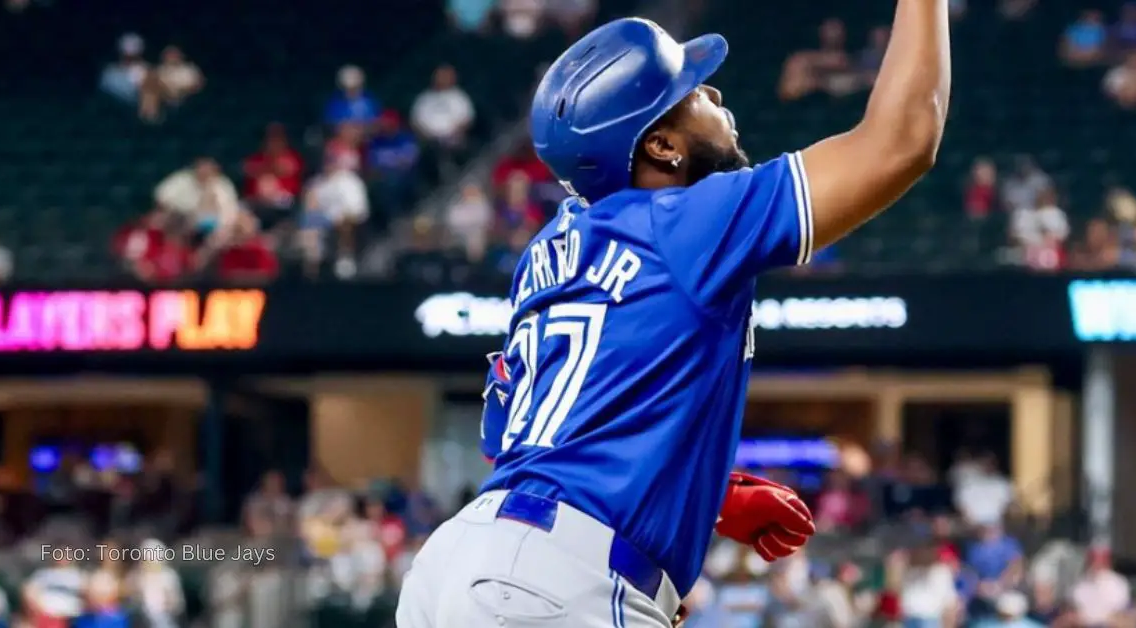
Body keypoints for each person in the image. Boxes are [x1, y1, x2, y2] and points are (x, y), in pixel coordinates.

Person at [397, 7, 950, 627]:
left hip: (463, 561)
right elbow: (903, 141)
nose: (712, 90)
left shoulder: (553, 244)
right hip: (552, 578)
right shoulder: (680, 219)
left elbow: (556, 434)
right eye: (690, 90)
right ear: (660, 145)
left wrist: (699, 496)